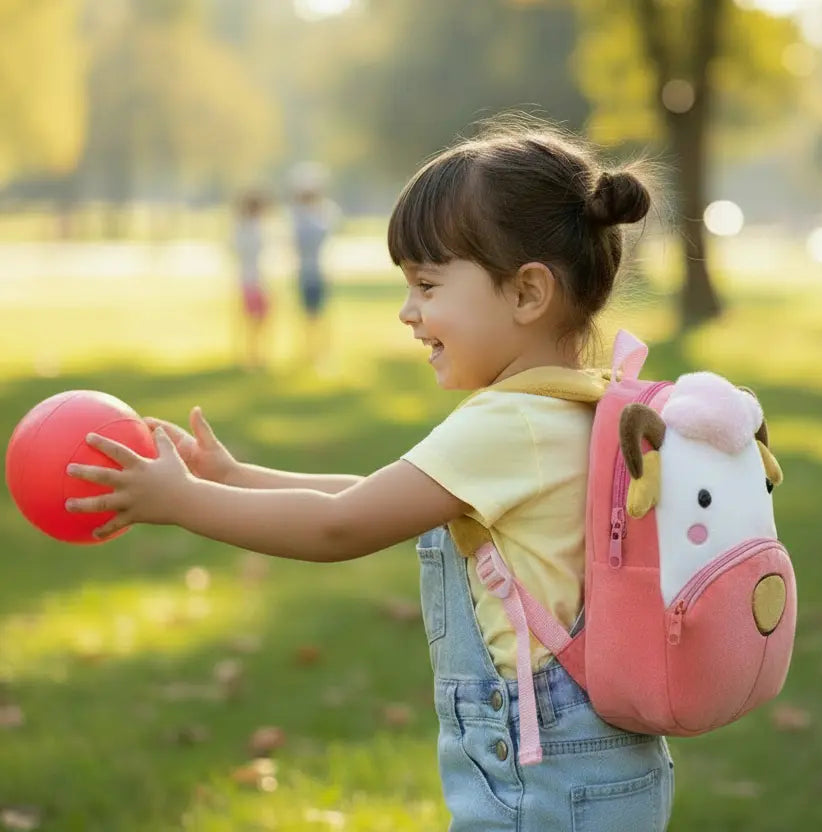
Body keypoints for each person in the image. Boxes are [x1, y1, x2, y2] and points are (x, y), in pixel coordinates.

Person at [67, 119, 674, 830]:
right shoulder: (577, 403)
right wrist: (233, 475)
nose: (408, 312)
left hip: (542, 776)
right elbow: (373, 496)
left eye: (426, 284)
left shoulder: (509, 427)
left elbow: (342, 524)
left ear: (526, 294)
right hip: (604, 763)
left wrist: (185, 502)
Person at [288, 162, 339, 367]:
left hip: (318, 270)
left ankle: (321, 351)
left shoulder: (322, 213)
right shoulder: (298, 216)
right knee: (308, 314)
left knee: (320, 313)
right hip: (306, 271)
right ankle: (309, 350)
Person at [233, 190, 270, 369]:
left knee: (260, 320)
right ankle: (250, 356)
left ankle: (257, 354)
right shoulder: (244, 229)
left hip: (258, 281)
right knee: (251, 320)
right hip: (250, 281)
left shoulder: (256, 227)